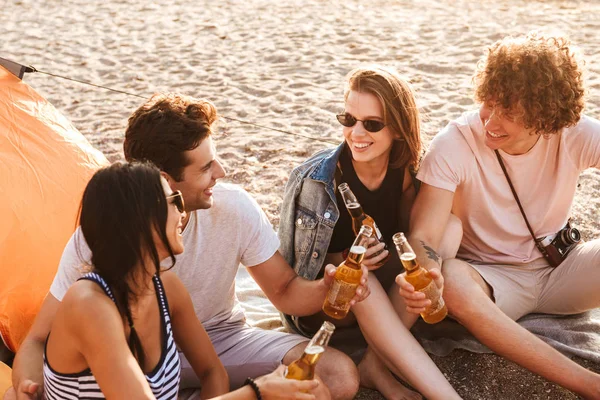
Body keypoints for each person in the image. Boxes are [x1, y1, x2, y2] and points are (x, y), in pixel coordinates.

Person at [8, 93, 366, 400]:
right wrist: (24, 387)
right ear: (164, 184)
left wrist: (326, 288)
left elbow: (282, 293)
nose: (222, 172)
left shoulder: (171, 282)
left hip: (221, 339)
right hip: (127, 358)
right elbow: (37, 339)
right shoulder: (97, 262)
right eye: (207, 166)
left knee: (332, 378)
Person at [396, 32, 600, 399]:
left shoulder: (573, 134)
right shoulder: (454, 144)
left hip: (562, 269)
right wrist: (429, 274)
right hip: (491, 283)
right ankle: (590, 385)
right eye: (488, 104)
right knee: (454, 280)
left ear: (545, 117)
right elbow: (424, 234)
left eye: (509, 113)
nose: (490, 121)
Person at [40, 161, 321, 400]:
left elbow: (212, 372)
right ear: (140, 221)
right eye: (173, 201)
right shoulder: (89, 305)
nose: (183, 211)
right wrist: (256, 391)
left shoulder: (166, 288)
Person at [279, 65, 462, 400]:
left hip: (380, 293)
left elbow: (413, 236)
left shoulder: (405, 171)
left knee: (450, 227)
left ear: (398, 129)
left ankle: (375, 364)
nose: (356, 133)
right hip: (329, 303)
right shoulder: (320, 181)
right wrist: (357, 261)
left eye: (372, 124)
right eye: (348, 119)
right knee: (360, 276)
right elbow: (331, 271)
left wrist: (419, 266)